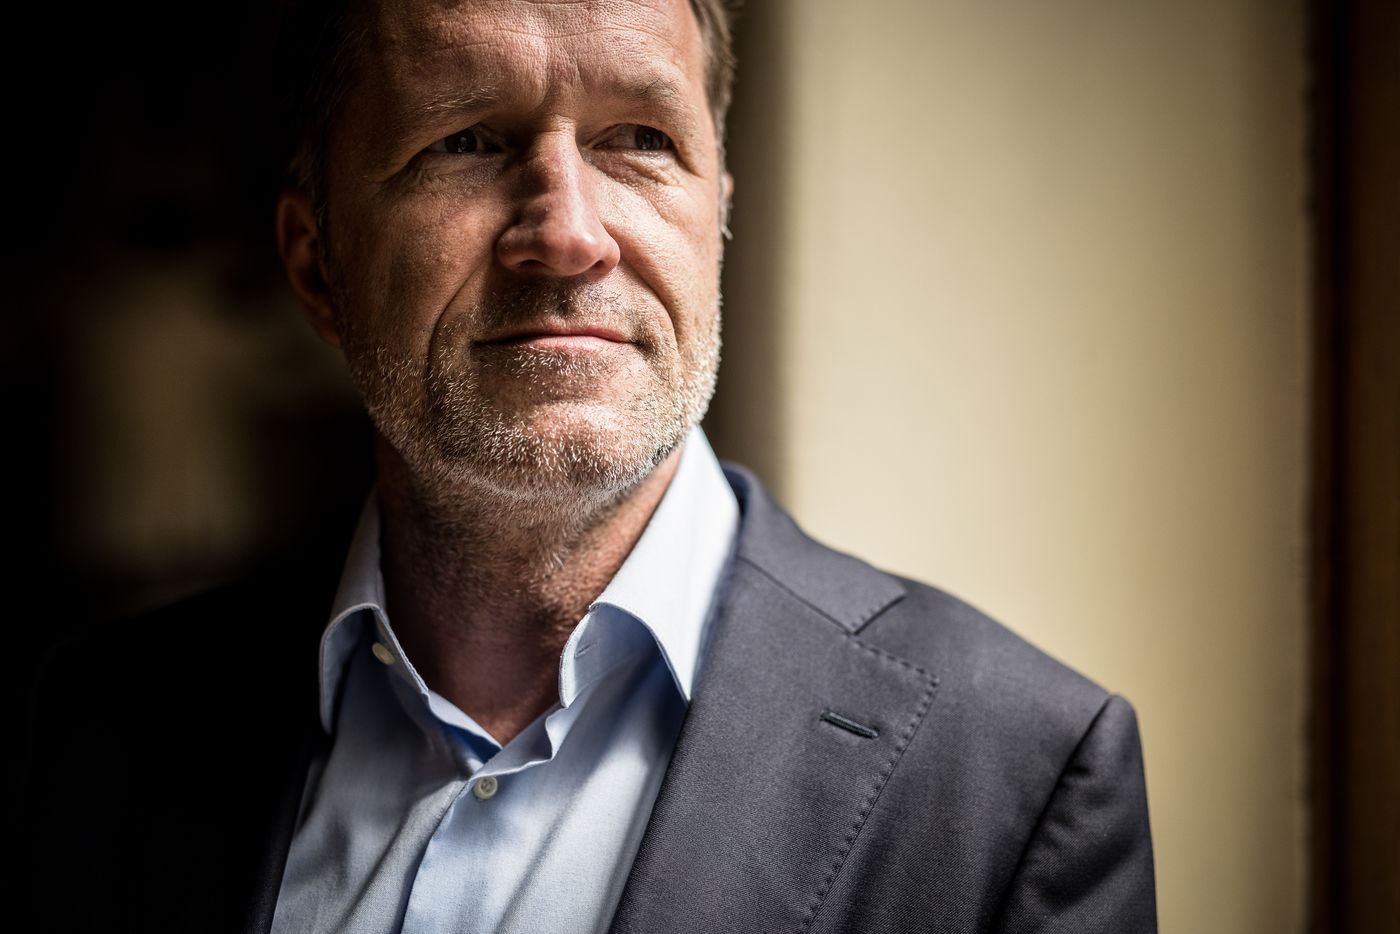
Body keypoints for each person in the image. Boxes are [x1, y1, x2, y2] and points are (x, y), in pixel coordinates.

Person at [20, 0, 1156, 931]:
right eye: (466, 141)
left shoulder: (1015, 776)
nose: (568, 234)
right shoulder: (95, 734)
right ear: (318, 265)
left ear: (716, 218)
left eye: (640, 140)